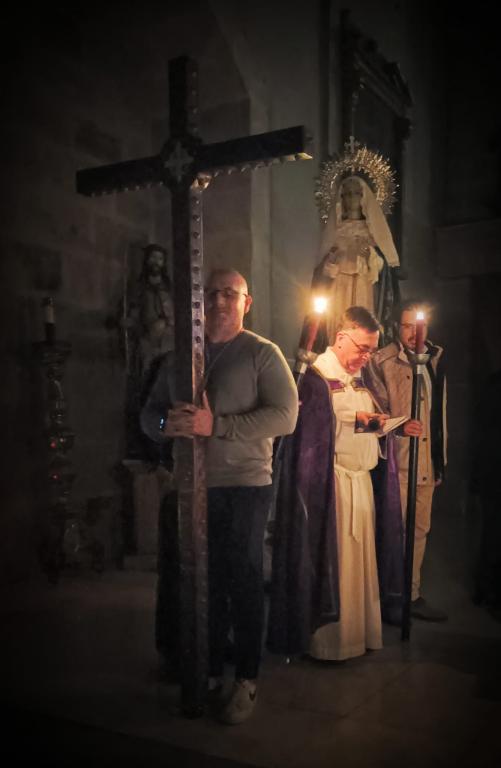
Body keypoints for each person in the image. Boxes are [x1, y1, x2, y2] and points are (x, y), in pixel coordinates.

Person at [140, 268, 298, 724]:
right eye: (211, 293)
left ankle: (246, 677)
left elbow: (285, 416)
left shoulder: (262, 353)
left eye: (230, 293)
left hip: (244, 485)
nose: (219, 301)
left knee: (243, 580)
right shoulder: (177, 359)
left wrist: (218, 426)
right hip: (189, 485)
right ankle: (206, 667)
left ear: (247, 303)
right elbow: (150, 417)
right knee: (197, 582)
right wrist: (169, 425)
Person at [268, 306, 405, 662]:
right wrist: (364, 421)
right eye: (362, 348)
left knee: (358, 567)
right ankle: (330, 643)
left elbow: (361, 422)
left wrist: (392, 426)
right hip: (331, 487)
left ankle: (360, 635)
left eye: (372, 350)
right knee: (334, 565)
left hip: (361, 484)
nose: (367, 357)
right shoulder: (316, 378)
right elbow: (314, 431)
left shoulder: (360, 377)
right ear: (341, 338)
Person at [366, 299, 448, 622]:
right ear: (396, 327)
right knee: (393, 530)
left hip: (426, 462)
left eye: (418, 325)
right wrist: (398, 426)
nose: (413, 333)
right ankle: (389, 597)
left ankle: (411, 594)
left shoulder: (434, 358)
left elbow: (439, 414)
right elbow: (372, 412)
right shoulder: (382, 361)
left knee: (419, 530)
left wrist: (439, 461)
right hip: (398, 462)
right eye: (406, 326)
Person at [312, 175, 400, 344]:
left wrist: (370, 255)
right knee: (338, 322)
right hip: (340, 285)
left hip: (364, 284)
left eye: (356, 193)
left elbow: (384, 269)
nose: (351, 198)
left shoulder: (372, 229)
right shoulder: (336, 230)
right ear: (341, 198)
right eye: (347, 194)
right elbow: (322, 268)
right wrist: (331, 262)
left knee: (363, 324)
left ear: (363, 196)